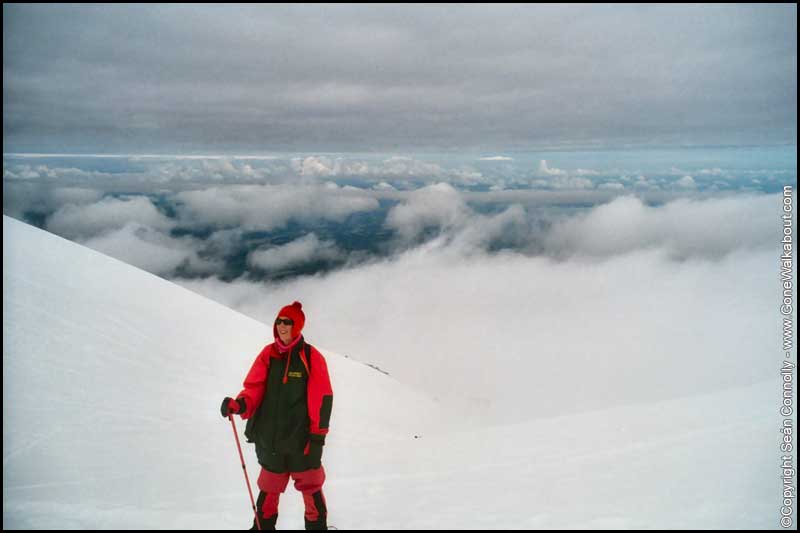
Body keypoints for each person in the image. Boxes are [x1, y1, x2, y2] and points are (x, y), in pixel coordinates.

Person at [221, 301, 333, 530]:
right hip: (270, 440)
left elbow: (321, 400)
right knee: (269, 490)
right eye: (279, 321)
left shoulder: (311, 358)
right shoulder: (268, 354)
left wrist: (317, 438)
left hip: (301, 441)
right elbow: (254, 387)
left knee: (310, 489)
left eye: (287, 322)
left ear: (297, 326)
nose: (282, 326)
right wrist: (240, 405)